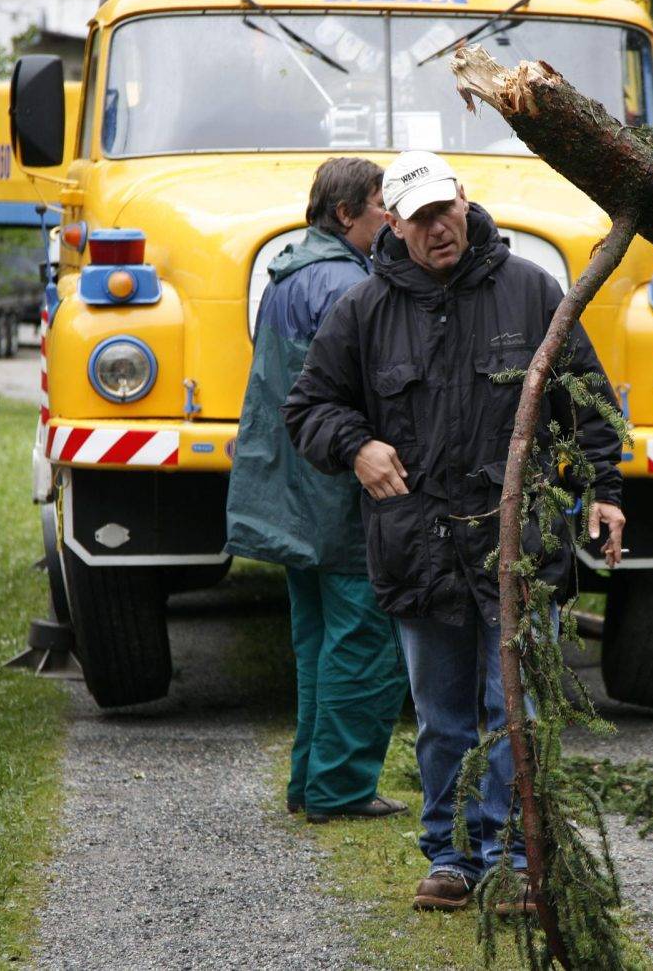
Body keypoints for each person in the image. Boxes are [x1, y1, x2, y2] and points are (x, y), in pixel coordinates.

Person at [283, 150, 626, 912]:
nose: (442, 228)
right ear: (394, 225)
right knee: (441, 717)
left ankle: (514, 858)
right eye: (422, 217)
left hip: (516, 545)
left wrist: (605, 491)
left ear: (467, 202)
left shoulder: (532, 291)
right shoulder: (363, 310)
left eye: (449, 210)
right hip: (418, 547)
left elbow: (588, 402)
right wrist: (357, 445)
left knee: (515, 710)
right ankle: (450, 855)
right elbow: (307, 409)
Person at [225, 157, 408, 824]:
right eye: (382, 204)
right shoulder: (344, 286)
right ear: (346, 214)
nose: (392, 215)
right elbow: (368, 391)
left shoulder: (290, 273)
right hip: (337, 492)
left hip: (294, 489)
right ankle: (341, 786)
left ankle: (311, 780)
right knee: (365, 636)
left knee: (317, 639)